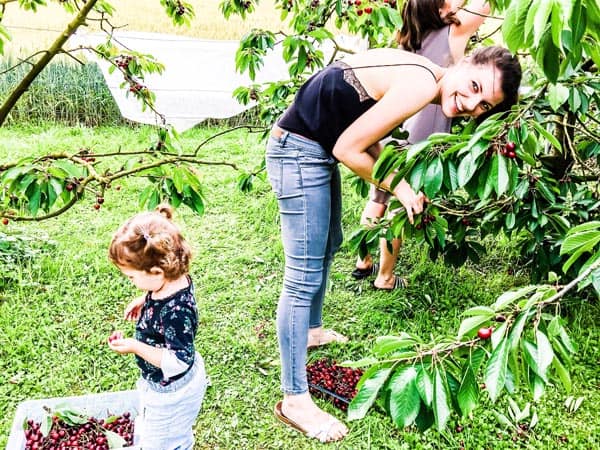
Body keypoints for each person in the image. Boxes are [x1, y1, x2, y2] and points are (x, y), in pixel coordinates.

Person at [266, 44, 521, 442]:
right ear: (465, 62)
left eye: (484, 105)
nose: (472, 104)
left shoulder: (424, 75)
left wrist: (399, 181)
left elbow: (364, 137)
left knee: (329, 245)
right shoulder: (420, 83)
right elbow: (348, 149)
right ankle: (294, 398)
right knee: (301, 275)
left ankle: (310, 330)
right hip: (299, 151)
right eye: (474, 86)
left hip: (311, 148)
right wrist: (401, 189)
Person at [353, 0, 491, 290]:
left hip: (389, 127)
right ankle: (385, 277)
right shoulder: (454, 31)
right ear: (440, 9)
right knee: (401, 207)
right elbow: (485, 5)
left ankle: (363, 261)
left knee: (377, 198)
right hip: (420, 138)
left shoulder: (407, 33)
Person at [107, 204, 207, 450]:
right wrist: (145, 300)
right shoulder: (170, 282)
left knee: (164, 443)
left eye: (131, 277)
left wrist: (135, 346)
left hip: (171, 391)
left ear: (156, 271)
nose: (130, 282)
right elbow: (165, 294)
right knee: (164, 433)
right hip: (161, 384)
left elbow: (179, 361)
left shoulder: (176, 312)